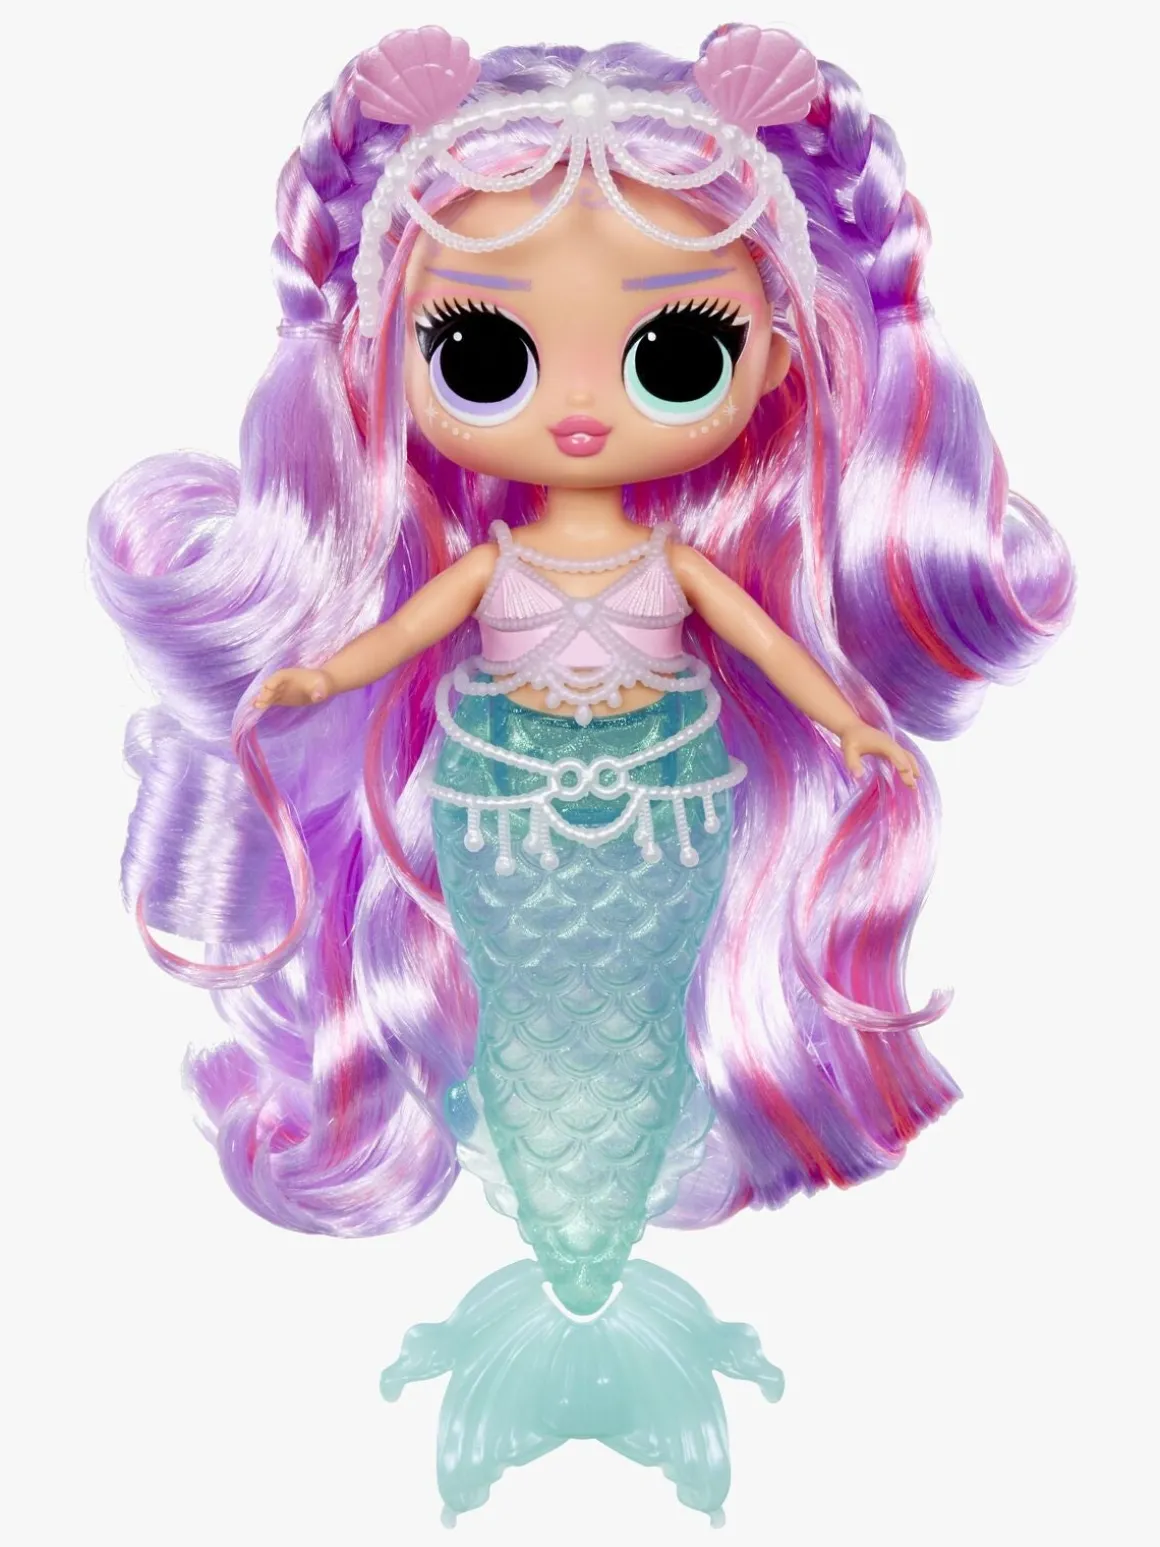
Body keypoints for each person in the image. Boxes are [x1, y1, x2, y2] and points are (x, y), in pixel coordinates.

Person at [88, 23, 1074, 1524]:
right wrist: (321, 676)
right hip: (498, 810)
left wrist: (856, 721)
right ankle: (560, 1236)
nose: (579, 408)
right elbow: (402, 634)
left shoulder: (676, 561)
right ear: (387, 354)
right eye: (482, 355)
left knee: (629, 1013)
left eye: (674, 355)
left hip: (669, 809)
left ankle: (603, 1235)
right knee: (533, 1012)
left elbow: (763, 640)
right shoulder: (490, 559)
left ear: (775, 355)